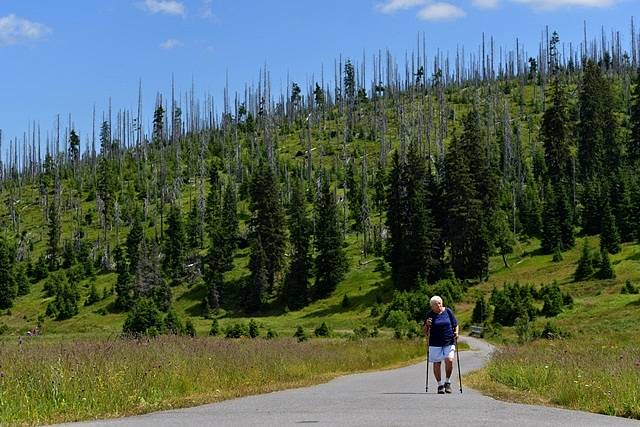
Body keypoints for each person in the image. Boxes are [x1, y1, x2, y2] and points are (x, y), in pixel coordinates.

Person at [423, 295, 459, 394]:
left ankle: (447, 382)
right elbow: (425, 332)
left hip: (449, 341)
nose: (438, 305)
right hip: (435, 343)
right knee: (437, 363)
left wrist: (456, 333)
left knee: (449, 360)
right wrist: (427, 325)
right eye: (435, 304)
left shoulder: (448, 311)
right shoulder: (429, 315)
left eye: (439, 303)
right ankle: (440, 385)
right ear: (432, 307)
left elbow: (455, 324)